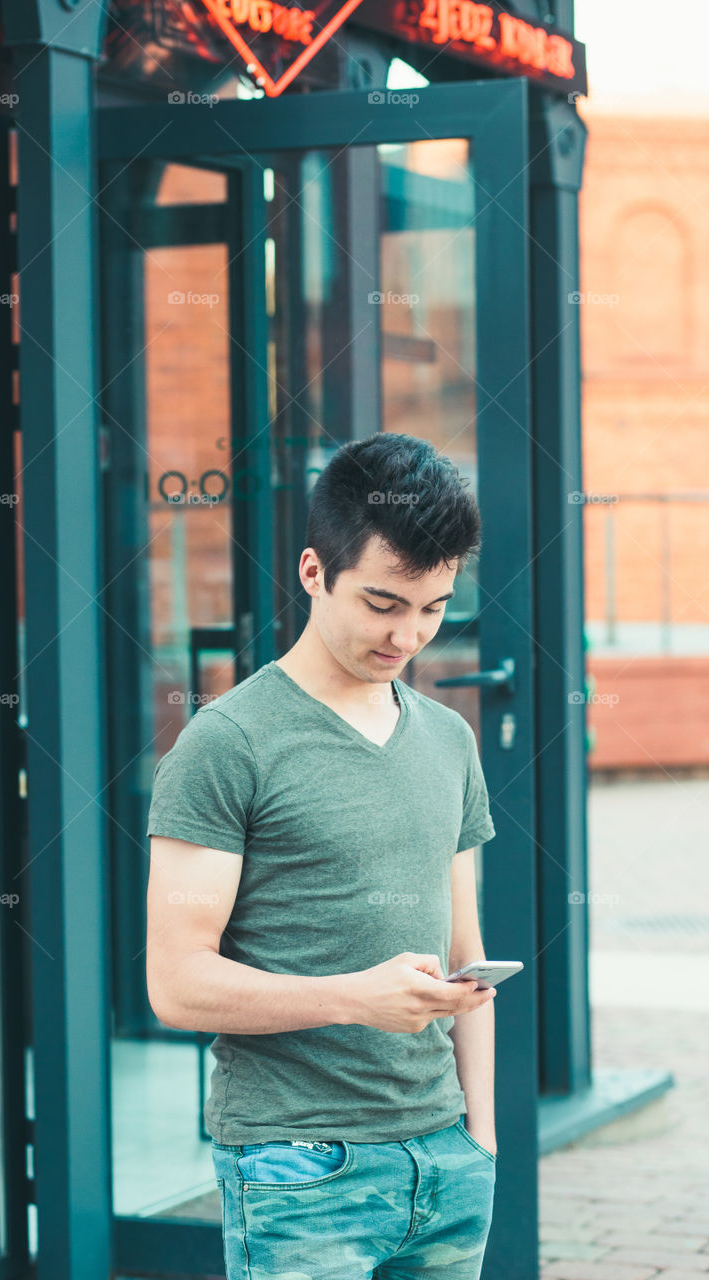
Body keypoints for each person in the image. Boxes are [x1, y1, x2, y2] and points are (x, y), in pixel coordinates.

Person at [146, 432, 499, 1279]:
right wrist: (355, 999)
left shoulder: (448, 740)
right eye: (382, 603)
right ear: (314, 572)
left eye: (433, 606)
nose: (408, 634)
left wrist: (478, 1138)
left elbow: (467, 961)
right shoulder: (226, 743)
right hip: (299, 1165)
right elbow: (175, 986)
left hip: (444, 1158)